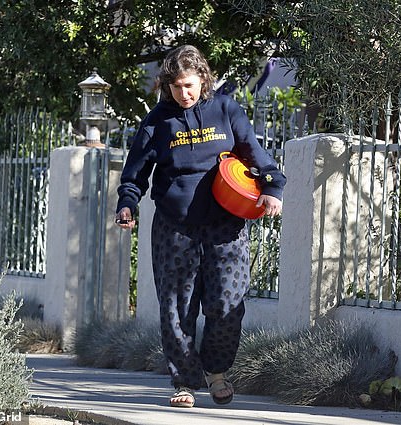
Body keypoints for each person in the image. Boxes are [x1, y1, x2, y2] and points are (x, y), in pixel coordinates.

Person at [114, 45, 286, 408]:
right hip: (175, 227)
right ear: (167, 86)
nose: (183, 93)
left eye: (189, 85)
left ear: (203, 80)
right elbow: (136, 171)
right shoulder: (157, 121)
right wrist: (128, 203)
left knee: (228, 304)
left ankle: (217, 370)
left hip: (227, 224)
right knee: (177, 308)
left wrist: (272, 186)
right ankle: (186, 382)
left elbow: (254, 151)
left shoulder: (225, 109)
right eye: (176, 87)